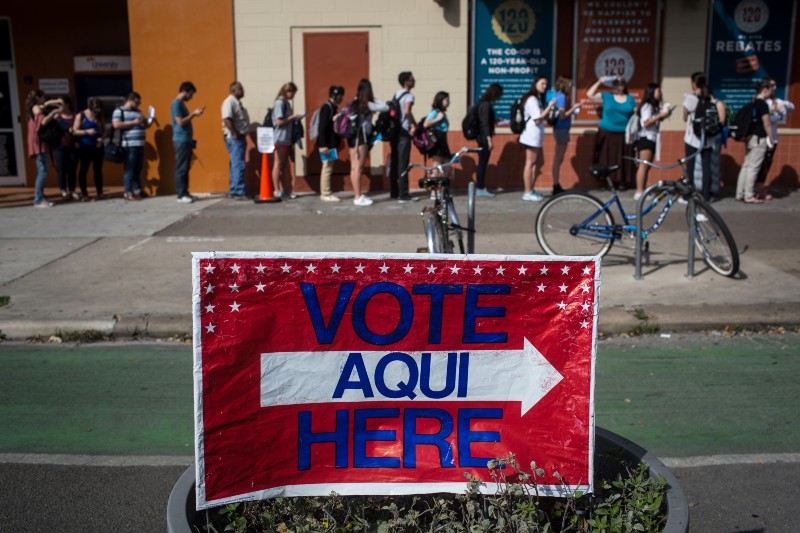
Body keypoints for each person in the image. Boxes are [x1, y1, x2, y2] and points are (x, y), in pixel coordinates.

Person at [586, 76, 636, 189]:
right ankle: (607, 182)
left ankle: (622, 182)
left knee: (622, 159)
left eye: (620, 85)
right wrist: (599, 81)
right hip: (606, 134)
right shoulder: (606, 96)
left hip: (623, 135)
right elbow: (589, 95)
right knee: (606, 158)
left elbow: (636, 113)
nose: (618, 87)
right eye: (616, 85)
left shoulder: (630, 99)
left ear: (624, 86)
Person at [682, 73, 725, 202]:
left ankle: (688, 194)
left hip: (691, 138)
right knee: (707, 168)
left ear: (694, 83)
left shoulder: (690, 99)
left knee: (690, 167)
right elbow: (721, 121)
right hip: (708, 139)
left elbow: (684, 118)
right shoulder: (712, 99)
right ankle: (707, 195)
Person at [348, 78, 389, 207]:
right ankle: (358, 197)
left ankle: (357, 194)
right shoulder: (368, 104)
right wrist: (372, 98)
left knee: (354, 167)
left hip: (351, 137)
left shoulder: (354, 102)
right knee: (359, 168)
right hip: (362, 137)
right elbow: (385, 107)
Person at [735, 79, 774, 204]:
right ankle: (749, 195)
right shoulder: (762, 105)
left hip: (750, 137)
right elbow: (767, 123)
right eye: (771, 90)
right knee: (753, 167)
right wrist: (771, 139)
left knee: (746, 165)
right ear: (765, 90)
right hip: (759, 138)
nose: (772, 92)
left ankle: (739, 193)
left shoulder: (752, 102)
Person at [756, 78, 795, 201]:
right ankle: (757, 188)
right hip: (764, 137)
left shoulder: (776, 101)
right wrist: (773, 112)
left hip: (773, 138)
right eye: (771, 85)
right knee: (760, 164)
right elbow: (766, 121)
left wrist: (784, 105)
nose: (774, 88)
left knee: (767, 163)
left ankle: (760, 187)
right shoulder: (762, 102)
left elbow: (791, 108)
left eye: (775, 85)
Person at [519, 76, 556, 202]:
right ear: (535, 84)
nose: (544, 86)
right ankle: (527, 191)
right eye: (542, 83)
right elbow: (537, 119)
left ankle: (531, 189)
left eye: (546, 84)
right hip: (531, 136)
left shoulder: (537, 99)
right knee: (530, 163)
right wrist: (550, 106)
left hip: (536, 136)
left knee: (537, 163)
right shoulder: (532, 99)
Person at [634, 82, 673, 200]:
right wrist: (659, 115)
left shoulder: (654, 106)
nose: (660, 94)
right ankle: (639, 191)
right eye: (658, 91)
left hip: (653, 137)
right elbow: (646, 122)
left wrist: (663, 103)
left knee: (648, 165)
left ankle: (644, 189)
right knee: (643, 165)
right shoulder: (647, 106)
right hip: (646, 137)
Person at [112, 91, 153, 201]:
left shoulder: (139, 111)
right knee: (129, 169)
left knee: (137, 169)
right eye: (137, 102)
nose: (139, 105)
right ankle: (128, 192)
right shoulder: (119, 111)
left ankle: (138, 190)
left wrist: (150, 120)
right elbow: (116, 124)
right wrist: (133, 123)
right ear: (130, 100)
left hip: (139, 144)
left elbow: (146, 125)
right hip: (129, 145)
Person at [25, 90, 61, 208]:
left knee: (42, 171)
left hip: (38, 144)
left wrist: (53, 102)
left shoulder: (35, 107)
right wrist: (54, 112)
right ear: (39, 97)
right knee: (42, 172)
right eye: (43, 97)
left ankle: (41, 197)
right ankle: (38, 200)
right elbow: (43, 122)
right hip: (38, 145)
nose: (45, 99)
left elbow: (44, 105)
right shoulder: (36, 108)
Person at [546, 77, 581, 195]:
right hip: (561, 129)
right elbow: (562, 116)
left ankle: (556, 184)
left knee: (559, 158)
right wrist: (574, 108)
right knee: (558, 158)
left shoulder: (558, 96)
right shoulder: (562, 98)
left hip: (560, 129)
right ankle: (555, 185)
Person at [172, 81, 205, 203]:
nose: (191, 97)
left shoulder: (180, 104)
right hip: (181, 140)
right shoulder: (176, 104)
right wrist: (194, 114)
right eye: (191, 94)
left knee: (185, 168)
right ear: (185, 91)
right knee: (181, 168)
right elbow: (180, 122)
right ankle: (181, 195)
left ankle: (185, 192)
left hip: (186, 140)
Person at [271, 82, 303, 200]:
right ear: (287, 91)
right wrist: (292, 117)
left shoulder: (286, 103)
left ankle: (284, 190)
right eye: (293, 93)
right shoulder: (280, 103)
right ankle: (277, 190)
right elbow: (278, 121)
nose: (293, 96)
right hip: (280, 137)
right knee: (278, 164)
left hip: (286, 138)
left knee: (283, 166)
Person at [390, 71, 417, 203]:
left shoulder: (397, 94)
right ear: (406, 81)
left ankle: (394, 191)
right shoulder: (409, 96)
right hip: (404, 132)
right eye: (412, 79)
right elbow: (407, 111)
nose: (414, 81)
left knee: (396, 162)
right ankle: (404, 194)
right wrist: (414, 124)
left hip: (395, 132)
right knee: (403, 163)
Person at [73, 97, 106, 201]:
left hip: (97, 147)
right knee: (83, 170)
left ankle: (100, 193)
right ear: (91, 107)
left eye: (99, 110)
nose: (97, 112)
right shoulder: (81, 115)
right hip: (85, 147)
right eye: (95, 111)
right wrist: (86, 132)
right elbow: (74, 131)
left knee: (98, 170)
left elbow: (105, 130)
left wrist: (102, 138)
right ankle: (84, 194)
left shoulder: (100, 116)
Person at [221, 81, 250, 200]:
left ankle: (234, 190)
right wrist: (235, 133)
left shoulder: (236, 102)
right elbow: (227, 119)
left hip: (238, 137)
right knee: (238, 164)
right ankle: (238, 191)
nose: (243, 91)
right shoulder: (230, 102)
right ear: (233, 90)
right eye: (240, 89)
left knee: (235, 164)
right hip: (235, 138)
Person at [475, 83, 503, 197]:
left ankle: (480, 187)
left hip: (481, 136)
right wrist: (489, 140)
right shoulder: (486, 105)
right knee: (482, 162)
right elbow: (484, 123)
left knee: (482, 161)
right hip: (484, 137)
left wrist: (495, 120)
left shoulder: (482, 103)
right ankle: (480, 187)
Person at [317, 85, 344, 202]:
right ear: (336, 96)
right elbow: (322, 127)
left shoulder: (332, 108)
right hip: (326, 144)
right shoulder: (326, 108)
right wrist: (323, 145)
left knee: (329, 167)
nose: (342, 99)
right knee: (327, 168)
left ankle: (327, 192)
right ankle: (325, 193)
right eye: (341, 96)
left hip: (330, 144)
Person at [54, 96, 79, 201]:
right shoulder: (56, 116)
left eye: (61, 103)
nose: (58, 106)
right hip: (59, 146)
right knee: (61, 169)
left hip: (73, 146)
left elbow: (77, 129)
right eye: (57, 104)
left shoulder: (75, 116)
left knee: (72, 169)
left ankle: (72, 190)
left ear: (68, 104)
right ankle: (63, 190)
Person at [422, 91, 452, 177]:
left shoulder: (442, 113)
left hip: (443, 140)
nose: (448, 102)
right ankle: (434, 189)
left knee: (447, 165)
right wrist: (438, 119)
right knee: (436, 166)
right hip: (437, 140)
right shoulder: (435, 112)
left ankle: (441, 186)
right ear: (440, 100)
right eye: (446, 100)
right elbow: (425, 124)